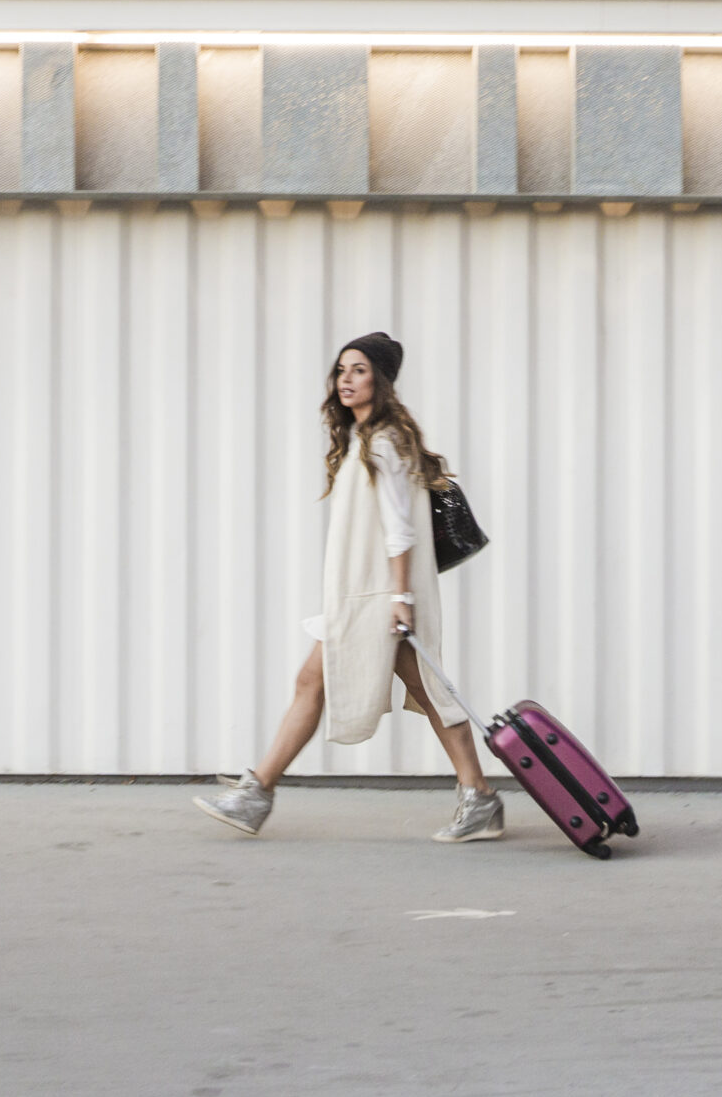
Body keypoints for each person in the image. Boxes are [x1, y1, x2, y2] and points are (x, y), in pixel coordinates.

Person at [194, 332, 504, 843]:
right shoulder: (364, 440)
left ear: (380, 379)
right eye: (341, 370)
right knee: (319, 683)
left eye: (359, 370)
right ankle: (257, 794)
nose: (346, 379)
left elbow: (400, 529)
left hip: (382, 600)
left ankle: (479, 799)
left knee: (430, 695)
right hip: (363, 598)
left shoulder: (383, 442)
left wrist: (401, 601)